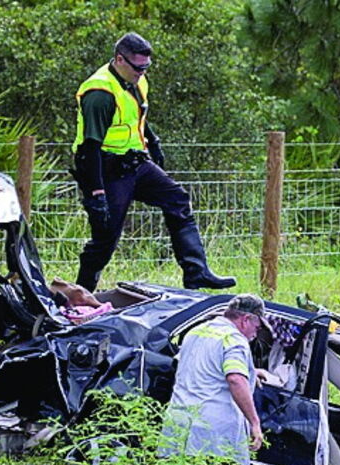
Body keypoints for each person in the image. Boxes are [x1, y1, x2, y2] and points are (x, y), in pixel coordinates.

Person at [71, 32, 236, 292]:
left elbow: (136, 115)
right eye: (137, 67)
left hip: (135, 162)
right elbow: (90, 147)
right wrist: (97, 192)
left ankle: (197, 272)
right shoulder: (100, 93)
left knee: (177, 199)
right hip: (106, 169)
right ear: (119, 60)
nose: (142, 73)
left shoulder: (137, 80)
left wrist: (153, 141)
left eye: (146, 67)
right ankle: (79, 294)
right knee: (106, 237)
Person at [165, 294, 267, 465]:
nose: (255, 334)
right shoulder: (234, 339)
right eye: (256, 327)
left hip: (178, 426)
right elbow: (235, 379)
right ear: (246, 319)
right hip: (212, 435)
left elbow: (200, 366)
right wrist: (254, 423)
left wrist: (250, 372)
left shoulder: (197, 331)